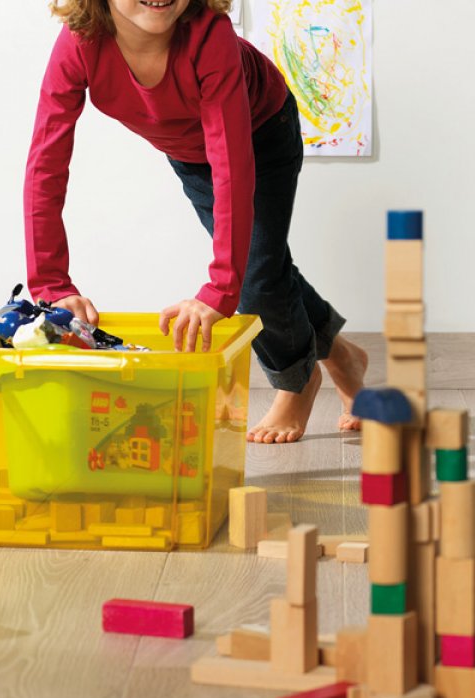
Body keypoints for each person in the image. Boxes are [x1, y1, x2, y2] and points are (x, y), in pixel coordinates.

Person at [25, 0, 367, 443]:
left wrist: (220, 290)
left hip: (261, 135)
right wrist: (51, 284)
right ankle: (342, 357)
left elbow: (232, 165)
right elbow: (46, 165)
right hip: (190, 155)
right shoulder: (79, 43)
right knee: (262, 267)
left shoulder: (211, 37)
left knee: (255, 274)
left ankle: (296, 381)